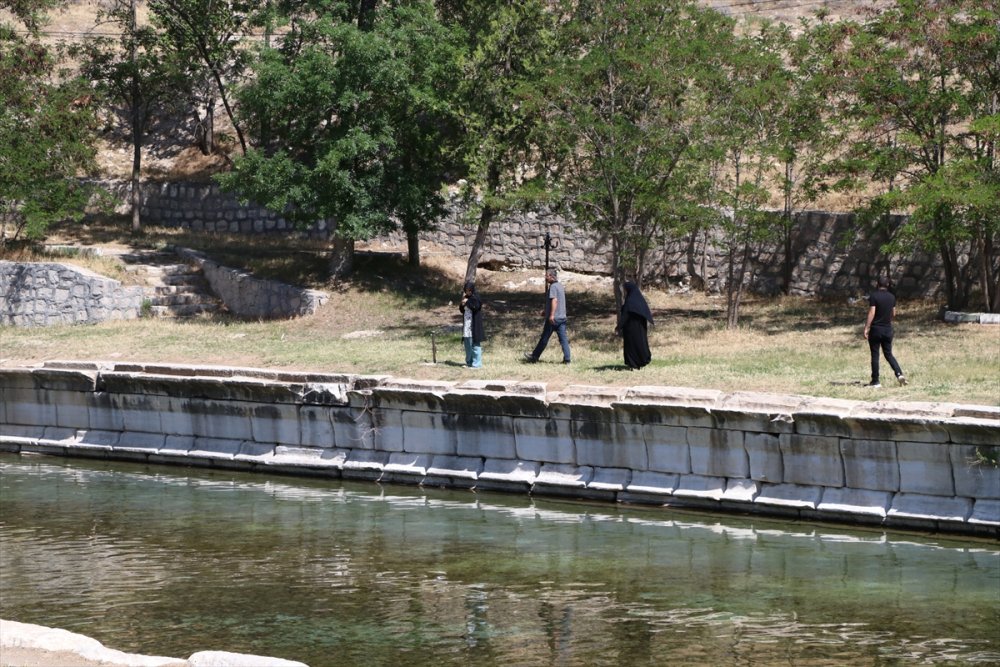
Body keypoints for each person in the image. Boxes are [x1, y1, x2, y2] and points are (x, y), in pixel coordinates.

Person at [864, 275, 907, 387]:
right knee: (888, 354)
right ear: (887, 284)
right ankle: (899, 374)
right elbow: (893, 313)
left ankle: (875, 381)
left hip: (876, 329)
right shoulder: (892, 297)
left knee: (875, 355)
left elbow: (872, 312)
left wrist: (867, 327)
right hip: (887, 329)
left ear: (877, 284)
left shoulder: (874, 296)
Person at [523, 268, 571, 364]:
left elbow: (554, 300)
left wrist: (551, 315)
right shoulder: (560, 286)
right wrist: (546, 311)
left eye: (547, 275)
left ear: (552, 277)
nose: (545, 277)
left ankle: (534, 356)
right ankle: (567, 359)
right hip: (562, 317)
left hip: (554, 319)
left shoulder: (553, 287)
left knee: (544, 338)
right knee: (563, 340)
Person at [616, 281, 653, 369]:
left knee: (632, 345)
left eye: (625, 290)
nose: (624, 291)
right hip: (640, 328)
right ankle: (641, 360)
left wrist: (619, 327)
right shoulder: (639, 300)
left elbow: (626, 315)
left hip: (631, 329)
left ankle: (633, 363)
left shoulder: (629, 301)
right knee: (640, 344)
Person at [460, 281, 484, 368]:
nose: (468, 292)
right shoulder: (465, 297)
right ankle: (469, 362)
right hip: (467, 324)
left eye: (469, 290)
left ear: (472, 290)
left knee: (475, 344)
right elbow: (462, 310)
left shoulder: (476, 297)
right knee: (467, 345)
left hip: (474, 325)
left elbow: (476, 306)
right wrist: (462, 304)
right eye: (466, 290)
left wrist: (467, 302)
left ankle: (477, 364)